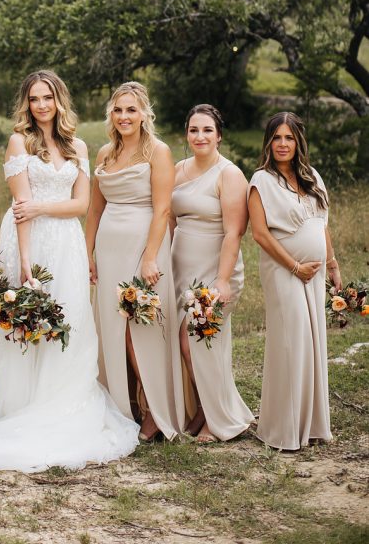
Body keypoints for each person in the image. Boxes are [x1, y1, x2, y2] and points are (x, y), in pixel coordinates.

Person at [0, 70, 139, 472]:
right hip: (28, 242)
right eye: (34, 99)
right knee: (27, 324)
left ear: (59, 100)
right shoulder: (19, 142)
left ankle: (61, 402)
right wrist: (25, 263)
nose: (41, 105)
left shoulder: (77, 146)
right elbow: (21, 208)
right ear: (26, 104)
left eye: (48, 98)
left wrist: (43, 208)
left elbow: (81, 205)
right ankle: (22, 406)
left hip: (67, 243)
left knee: (68, 320)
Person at [86, 81, 184, 442]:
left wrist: (150, 256)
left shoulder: (158, 151)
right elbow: (95, 210)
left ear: (144, 114)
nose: (124, 116)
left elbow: (162, 209)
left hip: (143, 246)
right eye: (118, 109)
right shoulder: (105, 154)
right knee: (112, 329)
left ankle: (154, 409)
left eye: (131, 109)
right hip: (109, 249)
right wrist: (87, 254)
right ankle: (124, 404)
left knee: (137, 329)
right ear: (110, 114)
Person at [248, 112, 342, 450]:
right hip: (283, 270)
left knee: (312, 341)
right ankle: (283, 430)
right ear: (268, 142)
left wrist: (332, 263)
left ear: (298, 141)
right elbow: (260, 234)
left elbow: (321, 224)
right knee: (291, 342)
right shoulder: (261, 180)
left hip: (313, 274)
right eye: (277, 137)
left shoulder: (312, 177)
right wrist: (294, 266)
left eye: (289, 137)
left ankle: (312, 423)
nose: (282, 144)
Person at [171, 104, 253, 443]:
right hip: (181, 269)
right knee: (189, 343)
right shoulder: (177, 170)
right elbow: (170, 220)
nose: (200, 136)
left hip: (216, 269)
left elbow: (234, 232)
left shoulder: (229, 174)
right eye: (194, 130)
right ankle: (202, 408)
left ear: (219, 136)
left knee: (195, 341)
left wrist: (222, 279)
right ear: (186, 134)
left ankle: (213, 416)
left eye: (207, 130)